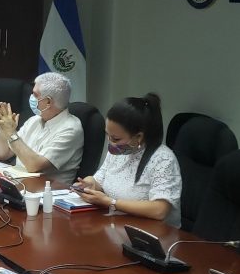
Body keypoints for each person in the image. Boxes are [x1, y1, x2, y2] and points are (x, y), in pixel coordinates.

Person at [75, 93, 182, 228]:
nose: (110, 142)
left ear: (138, 137)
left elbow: (160, 210)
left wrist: (111, 202)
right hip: (116, 226)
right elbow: (100, 180)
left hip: (151, 233)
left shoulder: (163, 159)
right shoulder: (119, 151)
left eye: (116, 138)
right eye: (108, 135)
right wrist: (89, 184)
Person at [0, 72, 83, 185]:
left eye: (35, 94)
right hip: (19, 184)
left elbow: (34, 166)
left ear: (48, 102)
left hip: (48, 191)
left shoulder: (71, 129)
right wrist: (3, 129)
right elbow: (1, 154)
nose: (31, 97)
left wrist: (11, 132)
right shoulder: (34, 120)